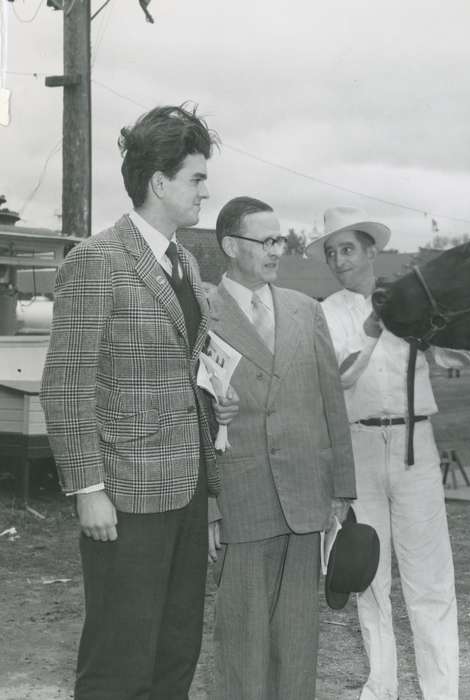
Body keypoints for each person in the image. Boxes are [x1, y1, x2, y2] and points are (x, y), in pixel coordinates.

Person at [40, 104, 235, 698]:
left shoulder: (185, 262)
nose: (206, 190)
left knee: (176, 650)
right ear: (159, 182)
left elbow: (183, 365)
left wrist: (212, 409)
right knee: (120, 658)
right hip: (125, 496)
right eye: (197, 178)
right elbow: (66, 383)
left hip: (186, 487)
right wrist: (88, 490)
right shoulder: (98, 261)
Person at [205, 196, 356, 699]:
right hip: (239, 500)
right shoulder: (201, 313)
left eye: (280, 241)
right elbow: (189, 414)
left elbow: (331, 403)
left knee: (297, 646)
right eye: (265, 241)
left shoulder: (304, 310)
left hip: (305, 501)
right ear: (230, 246)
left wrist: (342, 488)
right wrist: (208, 506)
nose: (277, 250)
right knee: (241, 644)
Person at [307, 206, 459, 700]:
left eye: (347, 249)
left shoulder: (411, 302)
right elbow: (342, 375)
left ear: (371, 250)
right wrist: (376, 323)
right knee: (369, 571)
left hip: (417, 444)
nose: (339, 260)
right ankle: (381, 687)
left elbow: (456, 354)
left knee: (429, 577)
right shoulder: (324, 312)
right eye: (331, 252)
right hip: (360, 444)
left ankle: (441, 691)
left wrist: (438, 329)